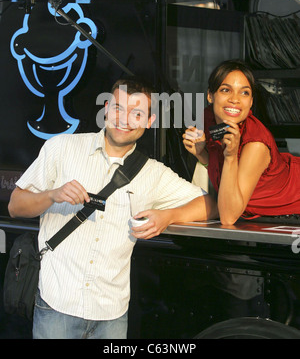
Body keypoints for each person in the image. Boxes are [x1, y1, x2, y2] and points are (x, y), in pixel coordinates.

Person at [8, 77, 217, 339]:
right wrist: (52, 194)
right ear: (106, 108)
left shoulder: (154, 174)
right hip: (56, 305)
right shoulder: (61, 148)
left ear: (149, 121)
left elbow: (212, 205)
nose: (124, 119)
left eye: (137, 113)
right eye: (118, 108)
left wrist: (169, 216)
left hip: (111, 315)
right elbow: (16, 205)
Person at [183, 59, 300, 225]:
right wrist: (202, 155)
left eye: (244, 93)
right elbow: (224, 178)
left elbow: (228, 217)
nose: (235, 99)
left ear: (251, 101)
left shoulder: (255, 144)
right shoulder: (210, 120)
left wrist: (230, 157)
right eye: (226, 90)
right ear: (210, 95)